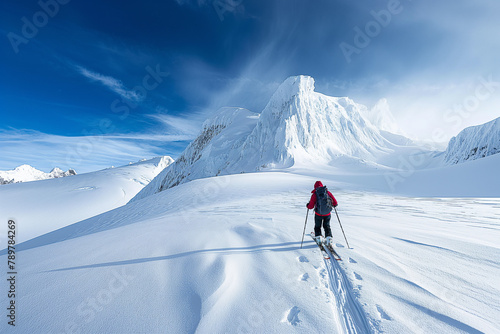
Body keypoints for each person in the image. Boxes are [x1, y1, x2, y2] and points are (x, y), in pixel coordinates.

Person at [307, 181, 338, 246]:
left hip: (318, 214)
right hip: (327, 214)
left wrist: (308, 205)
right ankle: (329, 239)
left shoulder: (315, 194)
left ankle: (319, 238)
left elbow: (311, 206)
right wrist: (334, 205)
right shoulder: (327, 192)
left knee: (317, 226)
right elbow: (335, 202)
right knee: (327, 226)